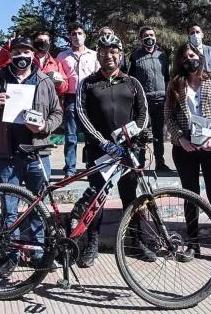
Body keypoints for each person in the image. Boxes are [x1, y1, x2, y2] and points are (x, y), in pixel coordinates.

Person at [0, 37, 63, 278]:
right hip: (7, 154)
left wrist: (44, 126)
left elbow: (57, 113)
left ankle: (38, 252)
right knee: (9, 208)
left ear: (33, 55)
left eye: (25, 51)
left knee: (38, 206)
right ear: (11, 54)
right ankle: (9, 255)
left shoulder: (44, 80)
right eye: (16, 52)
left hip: (37, 153)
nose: (21, 56)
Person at [76, 33, 157, 268]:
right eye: (103, 52)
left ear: (120, 55)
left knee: (131, 198)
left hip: (129, 152)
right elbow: (82, 115)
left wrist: (128, 137)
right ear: (98, 56)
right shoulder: (88, 84)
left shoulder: (132, 83)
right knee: (96, 199)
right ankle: (92, 243)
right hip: (100, 152)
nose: (108, 56)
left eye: (113, 51)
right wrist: (103, 142)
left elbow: (143, 116)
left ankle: (136, 241)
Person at [164, 43, 211, 266]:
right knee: (190, 196)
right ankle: (193, 243)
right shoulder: (175, 84)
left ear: (200, 57)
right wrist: (180, 139)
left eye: (192, 55)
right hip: (186, 149)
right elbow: (169, 117)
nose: (189, 60)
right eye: (184, 58)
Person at [57, 23, 99, 178]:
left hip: (89, 98)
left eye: (79, 33)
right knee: (70, 136)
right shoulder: (62, 56)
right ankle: (70, 169)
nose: (77, 36)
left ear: (85, 35)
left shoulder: (94, 55)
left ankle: (90, 168)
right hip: (70, 97)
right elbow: (57, 78)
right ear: (69, 37)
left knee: (91, 135)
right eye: (73, 34)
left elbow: (99, 77)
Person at [128, 26, 171, 172]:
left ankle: (160, 163)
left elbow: (167, 77)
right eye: (146, 35)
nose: (149, 37)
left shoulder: (162, 56)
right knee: (142, 133)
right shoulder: (135, 57)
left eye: (152, 34)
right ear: (141, 39)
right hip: (143, 102)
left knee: (159, 134)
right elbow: (131, 79)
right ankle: (140, 164)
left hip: (161, 100)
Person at [0, 30, 69, 96]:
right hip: (25, 98)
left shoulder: (56, 63)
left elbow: (65, 87)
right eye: (39, 40)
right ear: (33, 42)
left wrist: (59, 83)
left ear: (49, 43)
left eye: (46, 41)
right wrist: (8, 47)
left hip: (47, 101)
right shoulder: (24, 59)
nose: (43, 43)